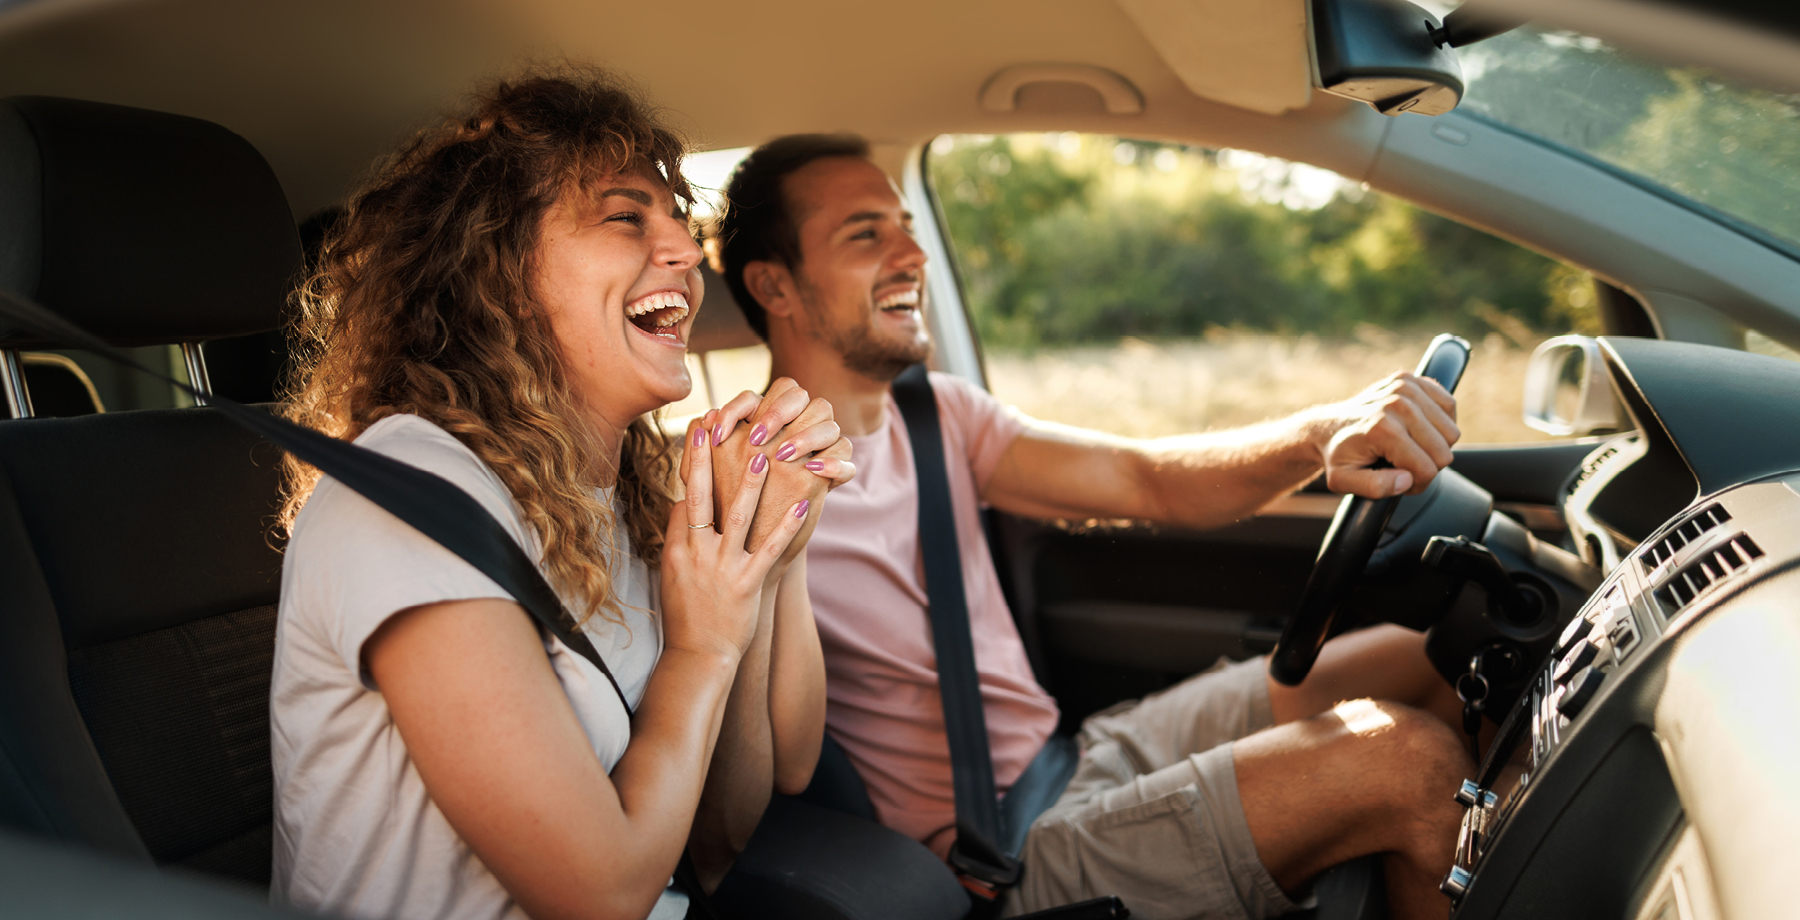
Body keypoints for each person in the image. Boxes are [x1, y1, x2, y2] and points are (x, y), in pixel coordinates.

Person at [714, 134, 1475, 920]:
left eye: (905, 224)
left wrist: (1322, 433)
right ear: (775, 285)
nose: (911, 252)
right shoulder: (746, 483)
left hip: (1078, 753)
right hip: (1004, 853)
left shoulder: (938, 413)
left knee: (1429, 661)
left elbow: (1143, 478)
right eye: (865, 234)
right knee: (1406, 762)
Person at [267, 71, 852, 920]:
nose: (690, 252)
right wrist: (700, 651)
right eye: (626, 217)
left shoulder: (631, 491)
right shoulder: (412, 497)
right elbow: (601, 894)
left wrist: (767, 546)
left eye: (679, 221)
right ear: (497, 271)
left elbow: (730, 832)